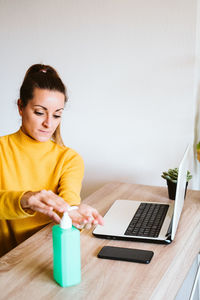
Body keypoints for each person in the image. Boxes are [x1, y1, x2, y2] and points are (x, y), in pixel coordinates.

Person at [0, 64, 103, 257]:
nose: (49, 123)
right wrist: (26, 199)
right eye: (39, 112)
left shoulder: (69, 159)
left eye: (57, 115)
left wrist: (76, 213)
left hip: (48, 256)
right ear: (21, 107)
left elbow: (69, 202)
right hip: (7, 263)